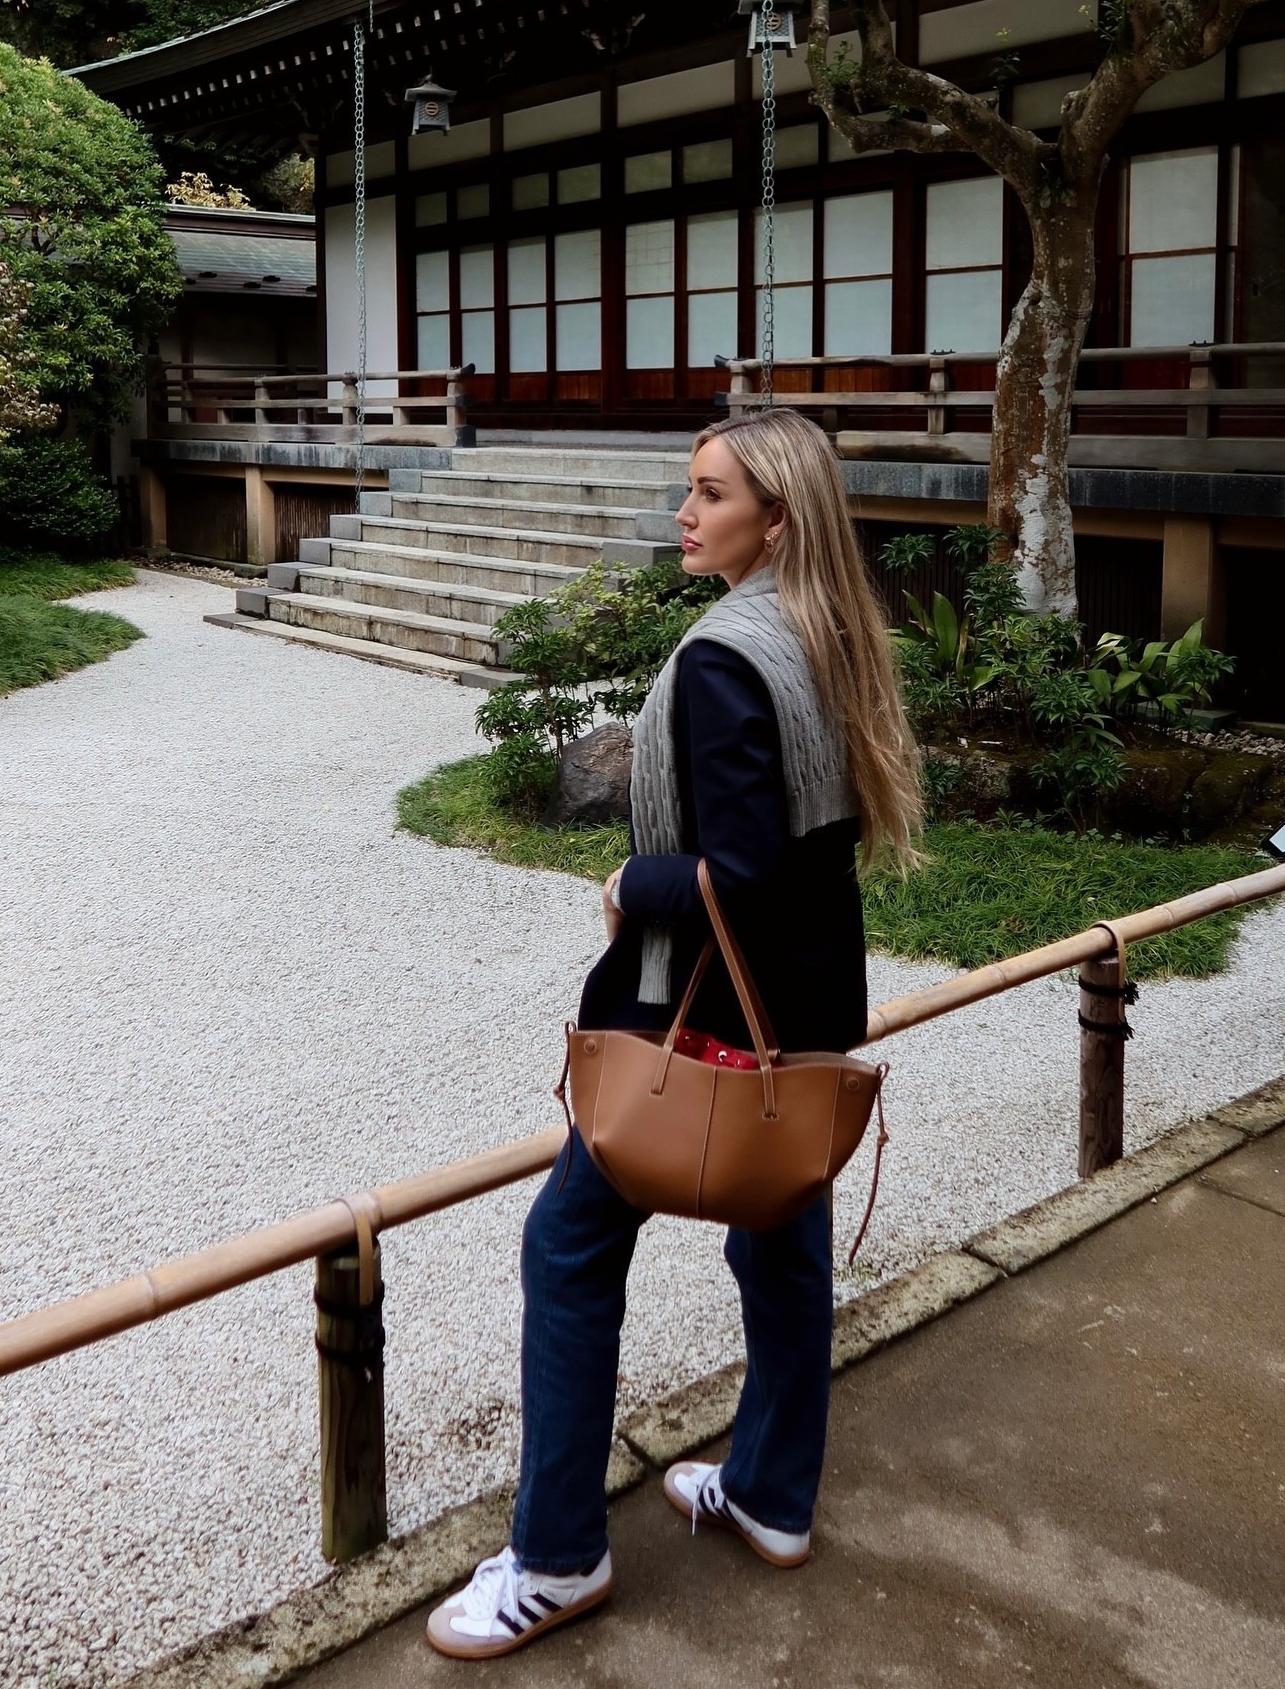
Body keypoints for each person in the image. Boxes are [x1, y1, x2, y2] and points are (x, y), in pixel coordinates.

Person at [427, 408, 922, 1660]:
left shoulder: (719, 658)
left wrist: (626, 888)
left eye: (709, 495)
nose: (685, 513)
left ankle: (554, 1556)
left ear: (777, 519)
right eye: (689, 490)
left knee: (569, 1245)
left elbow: (739, 870)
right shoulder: (825, 633)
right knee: (780, 1242)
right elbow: (817, 853)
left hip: (698, 1011)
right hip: (802, 1006)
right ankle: (770, 1493)